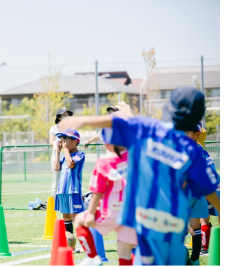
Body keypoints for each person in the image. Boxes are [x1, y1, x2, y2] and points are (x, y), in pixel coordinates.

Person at [57, 87, 220, 265]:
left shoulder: (152, 129)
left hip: (146, 219)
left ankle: (94, 257)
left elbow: (117, 123)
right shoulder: (192, 151)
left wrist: (82, 120)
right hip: (174, 224)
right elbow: (209, 189)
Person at [74, 140, 137, 266]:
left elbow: (97, 192)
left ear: (106, 144)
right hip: (130, 214)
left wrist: (91, 213)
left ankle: (92, 257)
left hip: (110, 212)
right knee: (125, 254)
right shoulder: (136, 157)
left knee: (79, 220)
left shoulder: (104, 162)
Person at [184, 121, 210, 265]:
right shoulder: (201, 150)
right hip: (197, 193)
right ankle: (195, 259)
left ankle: (193, 258)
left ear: (197, 134)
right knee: (194, 227)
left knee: (188, 226)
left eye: (187, 133)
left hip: (189, 194)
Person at [54, 130, 85, 234]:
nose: (63, 144)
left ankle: (84, 244)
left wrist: (66, 150)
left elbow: (70, 164)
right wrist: (58, 151)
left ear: (75, 142)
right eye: (62, 141)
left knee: (77, 217)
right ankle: (71, 245)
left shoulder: (80, 154)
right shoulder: (64, 157)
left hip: (73, 191)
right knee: (66, 217)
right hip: (62, 191)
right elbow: (56, 168)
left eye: (66, 140)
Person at [195, 125, 220, 254]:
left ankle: (203, 247)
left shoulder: (195, 150)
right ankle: (205, 247)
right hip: (211, 185)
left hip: (203, 187)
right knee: (205, 217)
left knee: (203, 217)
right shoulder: (202, 150)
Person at [49, 108, 73, 198]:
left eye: (67, 114)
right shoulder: (54, 128)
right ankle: (54, 203)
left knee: (69, 180)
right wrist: (60, 144)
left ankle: (67, 202)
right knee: (56, 181)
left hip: (68, 158)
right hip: (57, 158)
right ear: (59, 117)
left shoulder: (71, 128)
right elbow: (51, 142)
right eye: (63, 115)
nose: (66, 116)